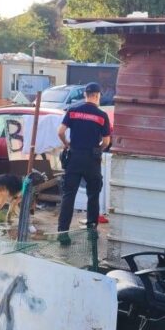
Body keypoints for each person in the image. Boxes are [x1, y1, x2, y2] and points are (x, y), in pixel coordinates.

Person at [57, 82, 111, 243]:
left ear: (85, 95)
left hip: (74, 157)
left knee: (69, 196)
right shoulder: (102, 116)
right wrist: (98, 150)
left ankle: (63, 234)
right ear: (97, 95)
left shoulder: (73, 111)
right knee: (93, 195)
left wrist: (67, 144)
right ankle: (91, 232)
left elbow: (60, 132)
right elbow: (106, 142)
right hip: (92, 159)